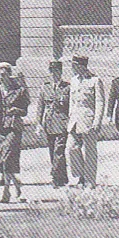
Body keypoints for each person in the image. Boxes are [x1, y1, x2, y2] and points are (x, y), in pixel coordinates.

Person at [66, 54, 105, 189]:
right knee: (71, 148)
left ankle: (90, 181)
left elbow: (100, 102)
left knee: (90, 151)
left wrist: (97, 121)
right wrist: (70, 116)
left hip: (89, 120)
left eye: (74, 65)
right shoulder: (74, 80)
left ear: (81, 66)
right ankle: (80, 175)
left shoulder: (95, 80)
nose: (72, 68)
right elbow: (72, 101)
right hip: (74, 120)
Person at [0, 62, 30, 203]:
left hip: (13, 126)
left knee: (7, 157)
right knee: (2, 158)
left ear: (9, 74)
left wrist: (16, 110)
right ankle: (17, 185)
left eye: (3, 75)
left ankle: (6, 191)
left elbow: (25, 111)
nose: (1, 78)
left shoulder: (19, 90)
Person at [35, 59, 70, 188]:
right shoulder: (45, 87)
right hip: (49, 123)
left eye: (57, 71)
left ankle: (55, 177)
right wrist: (38, 123)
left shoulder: (67, 87)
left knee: (58, 151)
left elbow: (70, 106)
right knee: (52, 151)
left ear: (60, 72)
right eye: (52, 71)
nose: (54, 74)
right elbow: (40, 107)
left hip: (62, 123)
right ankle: (63, 177)